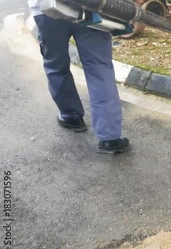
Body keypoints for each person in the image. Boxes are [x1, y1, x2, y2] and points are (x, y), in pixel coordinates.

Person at [28, 0, 131, 154]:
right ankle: (109, 138)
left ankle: (71, 116)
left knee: (56, 65)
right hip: (92, 7)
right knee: (99, 70)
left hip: (47, 9)